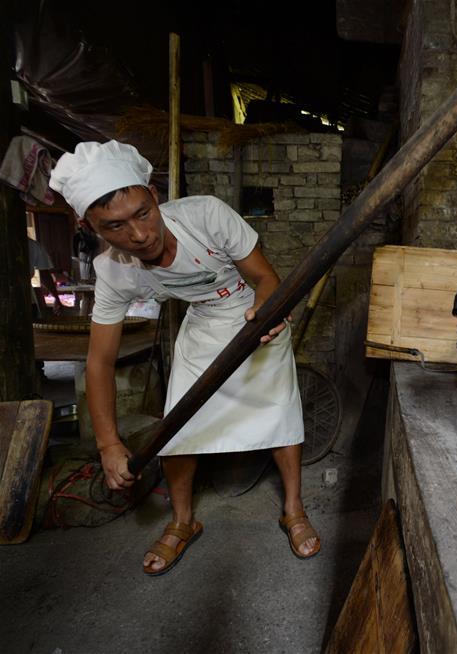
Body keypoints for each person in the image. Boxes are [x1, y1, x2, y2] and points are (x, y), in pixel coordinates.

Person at [49, 140, 319, 575]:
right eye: (115, 226)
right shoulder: (113, 271)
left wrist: (268, 312)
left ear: (154, 195)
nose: (139, 235)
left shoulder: (205, 216)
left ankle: (293, 509)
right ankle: (182, 520)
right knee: (178, 424)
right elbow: (99, 362)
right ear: (90, 226)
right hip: (203, 326)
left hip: (253, 315)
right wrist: (108, 444)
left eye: (143, 213)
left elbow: (266, 278)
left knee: (280, 413)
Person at [28, 236, 62, 317]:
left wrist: (56, 297)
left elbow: (44, 275)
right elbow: (44, 276)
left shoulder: (33, 245)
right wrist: (56, 298)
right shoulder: (33, 245)